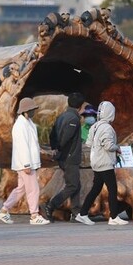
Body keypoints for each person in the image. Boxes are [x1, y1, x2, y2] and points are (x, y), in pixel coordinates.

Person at [0, 97, 50, 226]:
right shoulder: (20, 125)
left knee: (21, 189)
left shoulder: (28, 122)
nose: (33, 112)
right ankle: (34, 216)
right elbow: (22, 146)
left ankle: (4, 210)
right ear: (25, 111)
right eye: (31, 110)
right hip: (25, 163)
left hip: (28, 162)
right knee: (33, 189)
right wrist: (26, 164)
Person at [74, 101, 128, 226]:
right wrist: (117, 148)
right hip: (105, 163)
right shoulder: (107, 128)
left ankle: (82, 213)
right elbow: (108, 145)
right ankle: (113, 216)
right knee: (112, 189)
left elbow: (88, 143)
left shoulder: (95, 126)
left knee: (96, 188)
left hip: (96, 162)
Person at [45, 92, 87, 222]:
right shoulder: (73, 119)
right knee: (72, 186)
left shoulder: (62, 116)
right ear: (80, 106)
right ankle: (50, 206)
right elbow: (65, 138)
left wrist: (54, 148)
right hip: (69, 157)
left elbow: (52, 134)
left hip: (65, 156)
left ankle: (76, 212)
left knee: (75, 184)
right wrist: (59, 149)